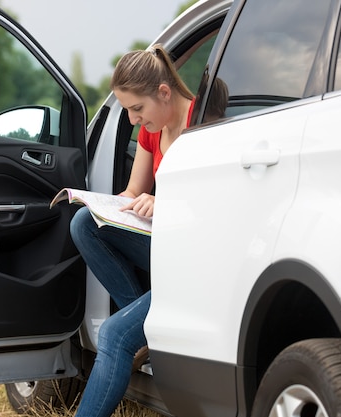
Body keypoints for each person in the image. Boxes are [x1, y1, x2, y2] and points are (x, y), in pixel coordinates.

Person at [70, 44, 195, 417]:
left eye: (137, 109)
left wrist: (164, 204)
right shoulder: (153, 131)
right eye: (127, 110)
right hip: (164, 247)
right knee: (84, 223)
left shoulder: (202, 124)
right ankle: (145, 330)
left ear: (163, 92)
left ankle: (136, 332)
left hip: (193, 257)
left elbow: (212, 208)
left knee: (113, 334)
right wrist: (107, 206)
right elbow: (133, 191)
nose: (133, 119)